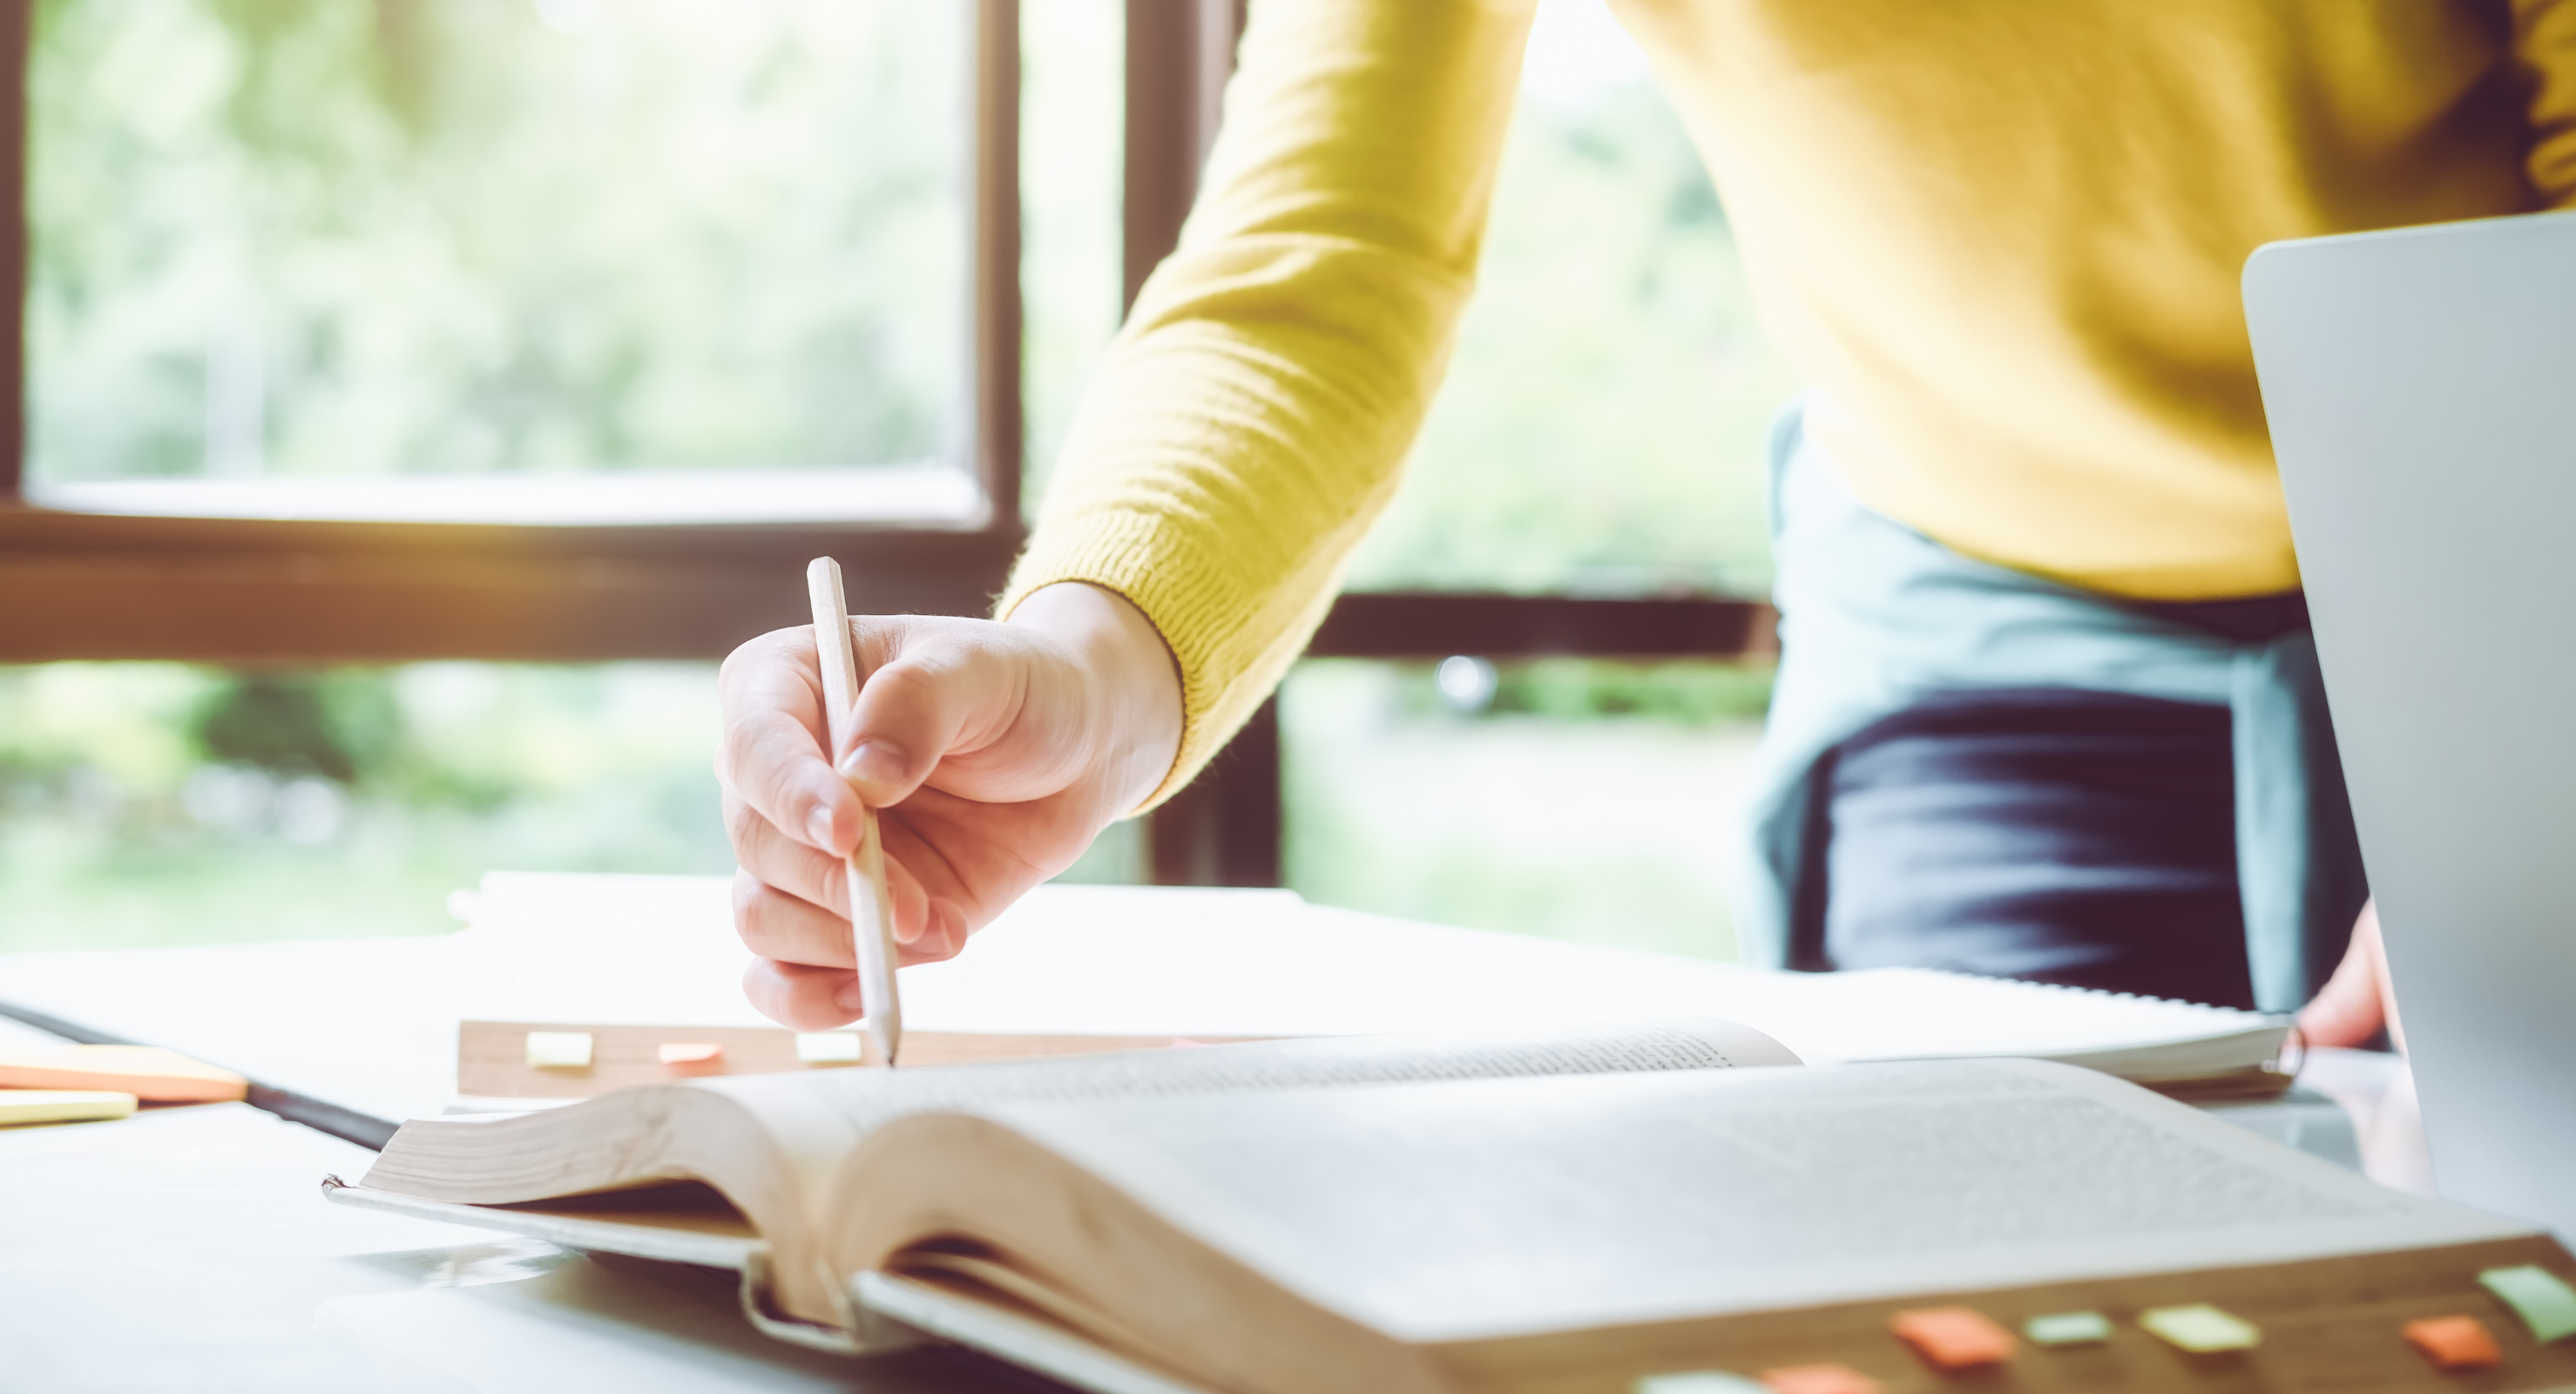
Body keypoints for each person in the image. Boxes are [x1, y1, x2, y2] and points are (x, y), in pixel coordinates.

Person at [718, 0, 2573, 1046]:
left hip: (2527, 563)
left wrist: (2536, 773)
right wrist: (1090, 654)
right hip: (1990, 624)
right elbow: (1324, 261)